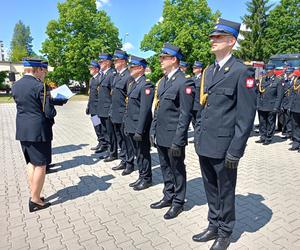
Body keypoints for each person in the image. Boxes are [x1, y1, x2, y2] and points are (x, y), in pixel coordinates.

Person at [192, 18, 256, 250]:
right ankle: (213, 225)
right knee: (210, 188)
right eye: (212, 37)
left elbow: (246, 117)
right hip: (205, 144)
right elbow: (202, 107)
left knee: (226, 191)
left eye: (218, 38)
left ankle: (225, 232)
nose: (212, 40)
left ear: (231, 41)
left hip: (225, 147)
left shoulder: (241, 72)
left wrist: (236, 151)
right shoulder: (209, 71)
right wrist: (198, 134)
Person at [150, 43, 195, 219]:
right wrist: (153, 130)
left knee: (177, 169)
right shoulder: (163, 81)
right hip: (161, 134)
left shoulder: (184, 82)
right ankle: (168, 195)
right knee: (165, 167)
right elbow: (158, 109)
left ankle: (178, 202)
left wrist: (179, 139)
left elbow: (185, 114)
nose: (160, 61)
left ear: (174, 59)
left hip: (174, 136)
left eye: (164, 58)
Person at [11, 58, 56, 212]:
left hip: (23, 129)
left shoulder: (16, 85)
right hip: (38, 130)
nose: (44, 73)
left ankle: (34, 194)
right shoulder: (40, 86)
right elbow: (49, 112)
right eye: (43, 70)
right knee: (41, 165)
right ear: (37, 69)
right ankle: (35, 200)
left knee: (31, 163)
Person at [123, 56, 154, 190]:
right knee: (137, 153)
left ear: (140, 68)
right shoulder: (133, 83)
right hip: (131, 125)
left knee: (143, 153)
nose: (130, 69)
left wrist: (139, 130)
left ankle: (146, 178)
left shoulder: (146, 84)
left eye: (132, 67)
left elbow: (145, 110)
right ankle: (141, 176)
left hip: (139, 127)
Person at [110, 50, 135, 175]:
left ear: (123, 61)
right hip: (115, 114)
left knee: (127, 141)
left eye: (116, 60)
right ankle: (123, 160)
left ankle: (130, 163)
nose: (114, 62)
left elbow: (129, 98)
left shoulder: (128, 76)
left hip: (123, 114)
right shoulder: (117, 76)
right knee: (120, 140)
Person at [96, 53, 118, 162]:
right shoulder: (103, 74)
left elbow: (113, 94)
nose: (99, 63)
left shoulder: (112, 74)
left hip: (108, 109)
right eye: (99, 62)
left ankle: (113, 153)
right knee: (105, 132)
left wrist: (110, 109)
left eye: (101, 61)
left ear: (108, 62)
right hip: (101, 109)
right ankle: (109, 151)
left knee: (110, 133)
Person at [256, 64, 283, 145]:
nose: (268, 72)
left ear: (273, 71)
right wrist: (257, 104)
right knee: (262, 122)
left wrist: (276, 107)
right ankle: (262, 136)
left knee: (270, 122)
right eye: (267, 71)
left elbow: (279, 96)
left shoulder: (278, 80)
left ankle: (268, 138)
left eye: (269, 71)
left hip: (272, 105)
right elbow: (259, 93)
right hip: (262, 105)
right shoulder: (263, 80)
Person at [86, 60, 106, 151]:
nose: (89, 69)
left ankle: (104, 143)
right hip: (92, 108)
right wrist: (88, 106)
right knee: (96, 127)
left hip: (98, 108)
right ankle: (100, 142)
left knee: (100, 127)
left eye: (91, 68)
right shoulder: (92, 79)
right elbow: (91, 95)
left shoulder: (100, 78)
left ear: (97, 69)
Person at [280, 67, 295, 139]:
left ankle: (294, 134)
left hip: (293, 104)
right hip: (286, 103)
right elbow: (283, 94)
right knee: (287, 119)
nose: (288, 75)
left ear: (293, 73)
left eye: (289, 73)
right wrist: (282, 104)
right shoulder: (285, 82)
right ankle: (289, 133)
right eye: (287, 73)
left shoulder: (296, 81)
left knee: (294, 120)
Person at [288, 74, 300, 151]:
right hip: (295, 107)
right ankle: (296, 143)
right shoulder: (296, 80)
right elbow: (292, 94)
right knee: (295, 126)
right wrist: (289, 106)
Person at [191, 61, 204, 129]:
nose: (194, 69)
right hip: (192, 105)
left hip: (199, 105)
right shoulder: (191, 79)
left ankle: (198, 139)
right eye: (193, 67)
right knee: (193, 122)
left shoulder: (203, 79)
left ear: (200, 69)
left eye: (196, 67)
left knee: (199, 124)